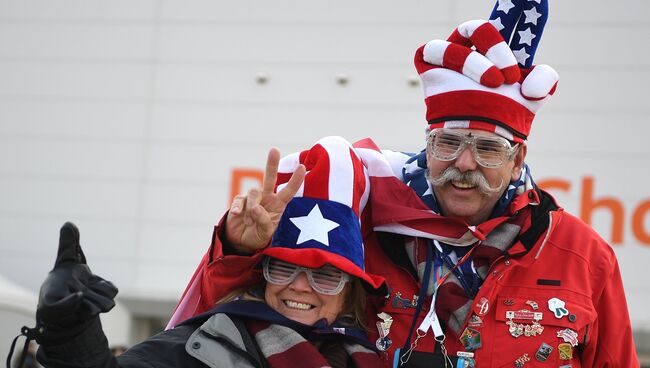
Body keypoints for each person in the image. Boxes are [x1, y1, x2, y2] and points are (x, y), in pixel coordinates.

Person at [168, 9, 640, 368]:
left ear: (518, 158)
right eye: (448, 142)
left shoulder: (583, 255)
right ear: (427, 145)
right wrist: (238, 254)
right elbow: (238, 327)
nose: (465, 163)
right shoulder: (364, 225)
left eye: (488, 149)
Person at [15, 137, 388, 368]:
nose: (300, 287)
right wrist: (70, 329)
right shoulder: (203, 345)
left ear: (349, 293)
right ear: (263, 276)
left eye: (325, 274)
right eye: (283, 268)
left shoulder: (370, 358)